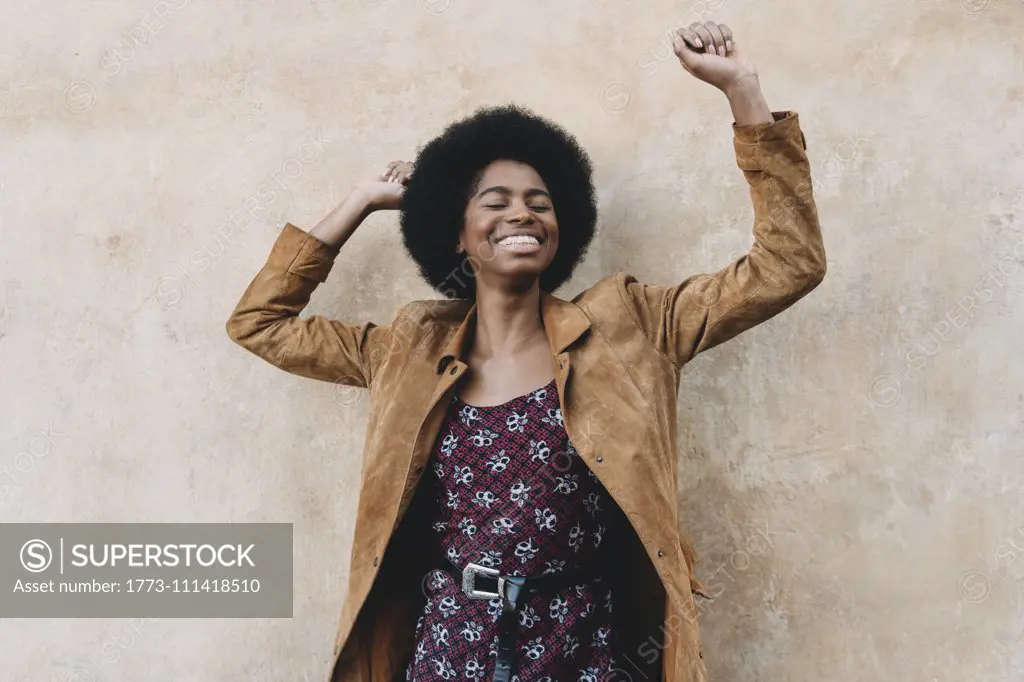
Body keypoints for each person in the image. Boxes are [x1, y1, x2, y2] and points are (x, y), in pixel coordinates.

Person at [226, 21, 825, 682]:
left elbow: (786, 266)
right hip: (450, 646)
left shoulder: (631, 326)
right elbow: (261, 322)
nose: (523, 213)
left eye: (540, 203)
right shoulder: (409, 347)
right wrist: (361, 200)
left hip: (585, 648)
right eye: (497, 201)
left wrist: (743, 92)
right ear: (458, 235)